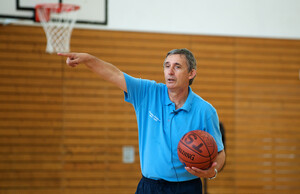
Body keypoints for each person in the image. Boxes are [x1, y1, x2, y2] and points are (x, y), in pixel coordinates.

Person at [58, 48, 226, 194]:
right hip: (150, 187)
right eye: (167, 66)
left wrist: (211, 172)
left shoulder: (205, 110)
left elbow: (220, 153)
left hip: (187, 188)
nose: (170, 71)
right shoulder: (147, 93)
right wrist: (89, 59)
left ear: (191, 73)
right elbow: (114, 74)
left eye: (177, 67)